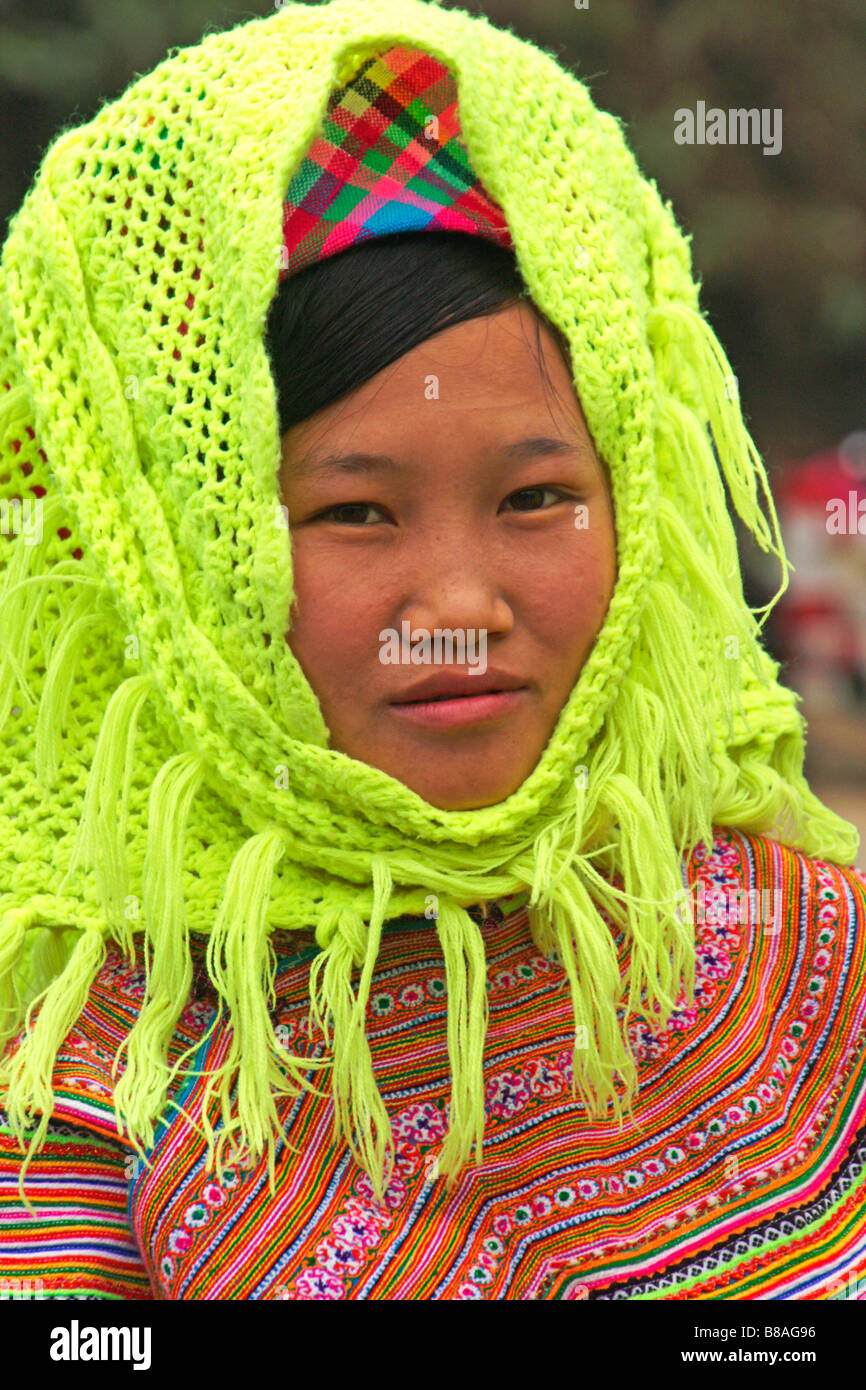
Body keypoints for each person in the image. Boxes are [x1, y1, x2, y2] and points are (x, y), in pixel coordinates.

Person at [0, 0, 864, 1302]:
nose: (460, 601)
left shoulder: (800, 949)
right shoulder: (83, 1073)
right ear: (169, 554)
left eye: (534, 498)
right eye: (352, 512)